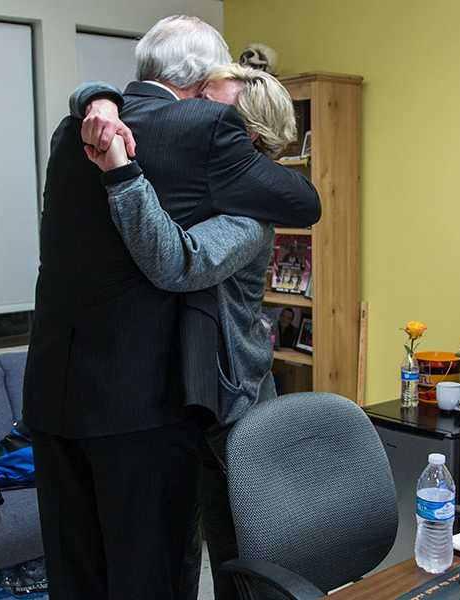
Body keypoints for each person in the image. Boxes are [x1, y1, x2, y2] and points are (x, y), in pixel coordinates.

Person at [22, 16, 320, 600]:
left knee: (79, 573)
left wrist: (98, 98)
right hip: (146, 401)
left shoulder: (73, 131)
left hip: (64, 392)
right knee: (152, 574)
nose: (218, 107)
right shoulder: (201, 131)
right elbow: (300, 201)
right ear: (202, 81)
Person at [81, 63, 300, 600]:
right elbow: (110, 95)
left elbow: (177, 262)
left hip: (234, 399)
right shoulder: (198, 178)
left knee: (244, 553)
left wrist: (121, 173)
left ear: (243, 134)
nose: (188, 111)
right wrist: (99, 101)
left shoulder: (250, 213)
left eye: (207, 103)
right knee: (186, 540)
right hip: (187, 393)